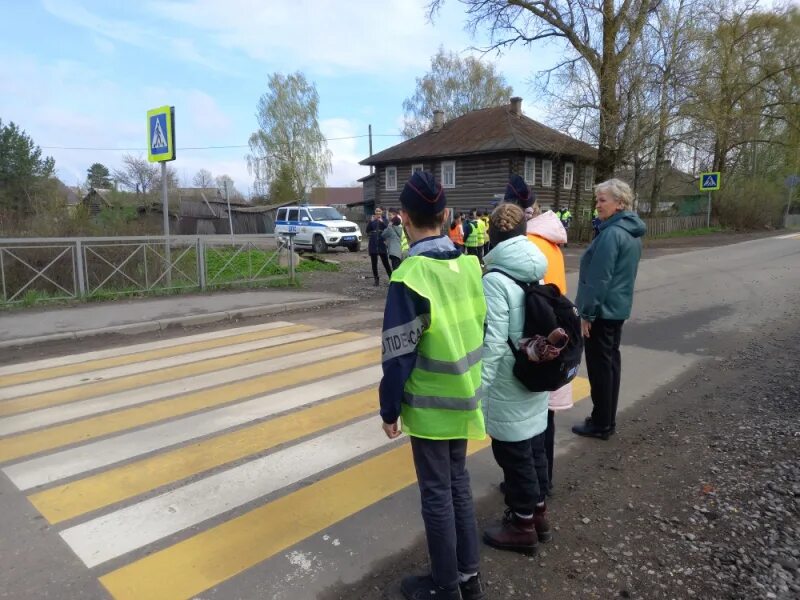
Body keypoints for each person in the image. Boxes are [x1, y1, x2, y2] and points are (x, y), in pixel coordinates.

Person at [379, 171, 488, 600]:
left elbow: (398, 354)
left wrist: (389, 410)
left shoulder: (410, 277)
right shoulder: (470, 263)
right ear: (445, 215)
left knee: (437, 494)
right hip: (465, 395)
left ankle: (445, 587)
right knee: (458, 484)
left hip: (429, 407)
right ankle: (468, 576)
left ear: (404, 218)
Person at [480, 202, 552, 555]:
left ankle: (522, 526)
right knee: (535, 447)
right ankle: (539, 515)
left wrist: (480, 387)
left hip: (509, 379)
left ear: (493, 234)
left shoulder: (495, 278)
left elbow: (493, 340)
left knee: (514, 454)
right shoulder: (533, 268)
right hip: (534, 370)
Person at [572, 179, 646, 440]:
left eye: (603, 200)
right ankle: (605, 417)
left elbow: (599, 278)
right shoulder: (629, 231)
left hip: (602, 313)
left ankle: (602, 424)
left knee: (600, 369)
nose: (597, 205)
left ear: (620, 203)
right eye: (597, 200)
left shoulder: (612, 234)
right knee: (610, 365)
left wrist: (587, 314)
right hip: (617, 309)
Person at [525, 199, 572, 494]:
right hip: (557, 331)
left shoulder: (529, 242)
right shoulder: (551, 239)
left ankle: (535, 486)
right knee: (546, 416)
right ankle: (545, 480)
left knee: (531, 418)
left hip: (540, 336)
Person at [366, 207, 392, 286]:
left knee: (385, 262)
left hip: (381, 242)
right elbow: (367, 230)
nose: (378, 212)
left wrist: (381, 222)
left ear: (382, 212)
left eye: (379, 211)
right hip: (373, 242)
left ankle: (391, 278)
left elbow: (388, 229)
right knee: (374, 263)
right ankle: (376, 280)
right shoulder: (372, 220)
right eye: (376, 211)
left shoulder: (385, 220)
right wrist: (370, 222)